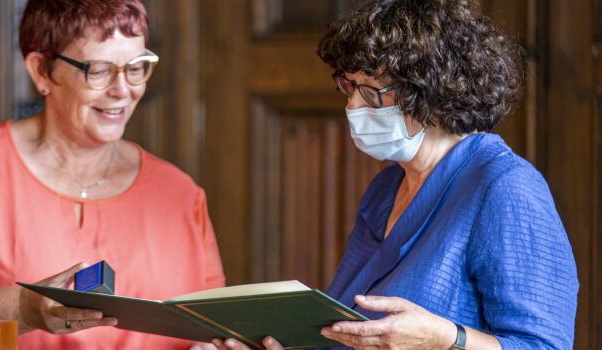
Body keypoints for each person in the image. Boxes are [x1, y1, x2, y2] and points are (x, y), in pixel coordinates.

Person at [214, 0, 578, 349]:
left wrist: (445, 340)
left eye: (371, 92)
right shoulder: (386, 188)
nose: (352, 106)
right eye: (348, 86)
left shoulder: (504, 187)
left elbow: (544, 345)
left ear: (432, 90)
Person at [0, 0, 225, 348]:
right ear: (42, 70)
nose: (123, 90)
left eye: (136, 67)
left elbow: (216, 328)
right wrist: (23, 309)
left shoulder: (181, 194)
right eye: (99, 70)